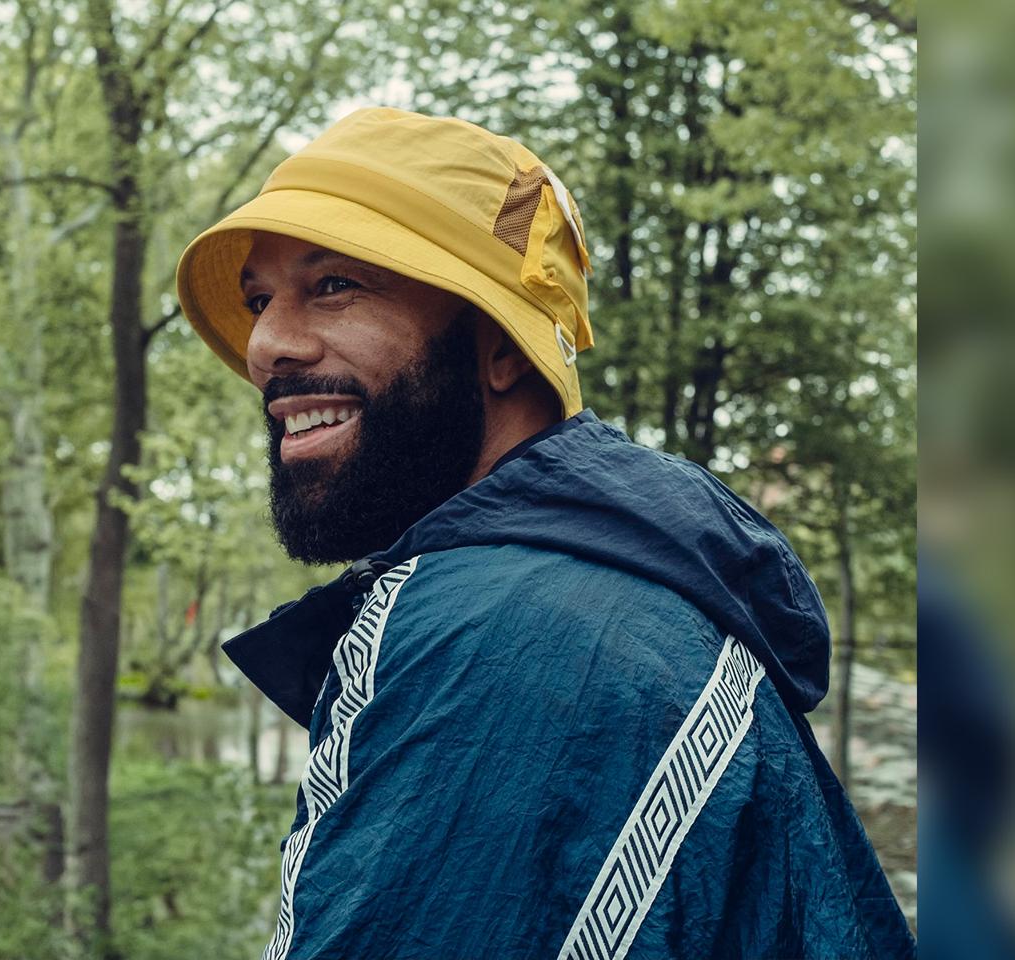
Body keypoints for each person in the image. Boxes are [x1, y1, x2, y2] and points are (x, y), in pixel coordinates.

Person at [176, 108, 916, 960]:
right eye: (259, 301)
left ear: (502, 347)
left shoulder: (499, 633)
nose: (266, 344)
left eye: (335, 284)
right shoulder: (624, 596)